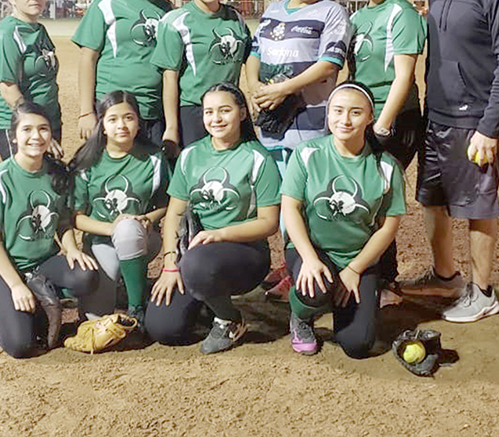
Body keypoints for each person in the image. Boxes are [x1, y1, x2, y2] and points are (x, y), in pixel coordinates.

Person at [398, 0, 499, 323]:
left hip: (475, 124)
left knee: (477, 206)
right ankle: (446, 276)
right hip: (437, 118)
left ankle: (483, 291)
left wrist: (490, 127)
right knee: (431, 202)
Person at [248, 0, 351, 300]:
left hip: (309, 121)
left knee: (303, 198)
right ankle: (288, 261)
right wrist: (256, 88)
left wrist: (284, 89)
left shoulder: (331, 13)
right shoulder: (274, 9)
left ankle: (299, 267)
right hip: (273, 121)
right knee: (277, 196)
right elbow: (254, 53)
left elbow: (329, 64)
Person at [146, 82, 281, 354]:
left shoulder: (257, 158)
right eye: (209, 112)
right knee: (163, 328)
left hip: (245, 253)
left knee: (196, 264)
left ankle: (229, 319)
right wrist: (171, 263)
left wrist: (219, 234)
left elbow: (269, 223)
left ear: (242, 113)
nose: (216, 118)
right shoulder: (190, 155)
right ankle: (207, 302)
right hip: (197, 254)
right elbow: (174, 212)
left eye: (224, 110)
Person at [281, 82, 406, 357]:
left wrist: (354, 269)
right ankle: (301, 314)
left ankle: (341, 299)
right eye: (337, 111)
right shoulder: (307, 154)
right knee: (315, 289)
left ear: (370, 117)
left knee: (357, 344)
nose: (345, 120)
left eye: (355, 113)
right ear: (328, 114)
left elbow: (387, 229)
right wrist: (310, 258)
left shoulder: (386, 166)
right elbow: (290, 208)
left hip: (357, 257)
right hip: (313, 250)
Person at [0, 102, 99, 358]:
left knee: (86, 275)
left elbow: (63, 221)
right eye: (27, 129)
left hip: (42, 263)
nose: (36, 136)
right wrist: (16, 285)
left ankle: (37, 293)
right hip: (2, 268)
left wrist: (72, 248)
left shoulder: (56, 174)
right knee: (21, 345)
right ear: (14, 136)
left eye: (43, 129)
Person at [345, 0, 427, 305]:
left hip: (395, 120)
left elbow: (404, 77)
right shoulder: (360, 17)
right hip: (365, 118)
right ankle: (368, 273)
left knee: (378, 197)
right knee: (365, 196)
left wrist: (383, 125)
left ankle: (387, 282)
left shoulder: (402, 14)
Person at [69, 91, 170, 324]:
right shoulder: (87, 160)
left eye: (128, 118)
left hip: (142, 238)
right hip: (100, 242)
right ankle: (127, 281)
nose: (121, 125)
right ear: (102, 125)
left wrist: (148, 218)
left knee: (127, 229)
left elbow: (168, 202)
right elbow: (76, 217)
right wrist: (111, 228)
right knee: (95, 318)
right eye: (112, 119)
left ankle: (137, 307)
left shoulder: (154, 158)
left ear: (138, 124)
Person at [72, 0, 174, 146]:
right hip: (112, 111)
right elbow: (87, 59)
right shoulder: (106, 2)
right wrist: (85, 112)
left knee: (151, 176)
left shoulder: (167, 10)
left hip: (151, 111)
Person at [153, 0, 252, 149]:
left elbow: (250, 57)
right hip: (194, 113)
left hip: (229, 110)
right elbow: (169, 78)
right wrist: (171, 127)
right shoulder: (175, 22)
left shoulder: (236, 18)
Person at [0, 0, 62, 160]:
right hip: (23, 129)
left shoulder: (39, 29)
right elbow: (8, 89)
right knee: (26, 188)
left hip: (48, 122)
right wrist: (36, 127)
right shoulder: (7, 34)